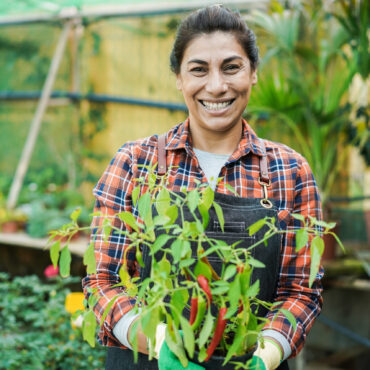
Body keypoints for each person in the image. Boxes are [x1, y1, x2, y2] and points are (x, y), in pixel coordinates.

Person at [82, 5, 323, 370]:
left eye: (231, 67)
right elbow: (103, 281)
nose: (216, 86)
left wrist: (265, 355)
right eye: (198, 69)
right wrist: (158, 342)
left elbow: (300, 292)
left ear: (253, 73)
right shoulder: (134, 163)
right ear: (178, 77)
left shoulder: (289, 170)